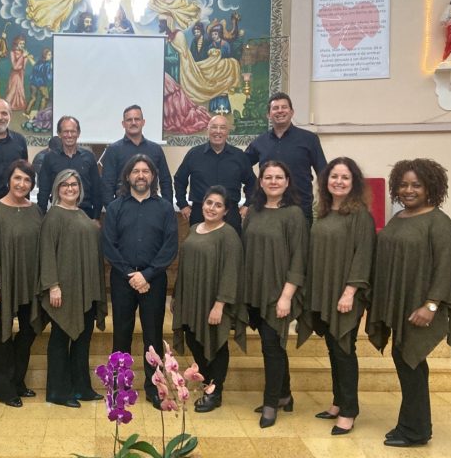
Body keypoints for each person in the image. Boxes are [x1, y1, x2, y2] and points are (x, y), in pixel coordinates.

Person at [367, 158, 451, 448]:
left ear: (430, 187)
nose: (408, 190)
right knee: (406, 362)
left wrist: (431, 305)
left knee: (411, 362)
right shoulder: (399, 217)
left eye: (416, 185)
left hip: (420, 306)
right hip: (400, 302)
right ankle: (411, 424)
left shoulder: (439, 222)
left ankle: (416, 431)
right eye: (403, 185)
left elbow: (447, 267)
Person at [297, 157, 375, 436]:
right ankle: (338, 402)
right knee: (333, 348)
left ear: (354, 182)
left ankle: (349, 411)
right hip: (324, 291)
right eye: (334, 176)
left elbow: (364, 255)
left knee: (344, 350)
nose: (338, 182)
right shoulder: (324, 212)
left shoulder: (360, 215)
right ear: (326, 181)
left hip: (345, 294)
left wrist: (350, 292)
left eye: (345, 177)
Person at [102, 154, 178, 409]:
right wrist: (131, 274)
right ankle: (119, 387)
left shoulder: (165, 208)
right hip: (122, 280)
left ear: (153, 176)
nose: (141, 175)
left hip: (153, 281)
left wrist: (146, 275)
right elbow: (109, 246)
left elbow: (170, 246)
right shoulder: (115, 208)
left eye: (146, 171)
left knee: (153, 336)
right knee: (121, 335)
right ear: (128, 176)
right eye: (136, 171)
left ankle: (154, 387)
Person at [240, 160, 307, 428]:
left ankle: (270, 403)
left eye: (279, 177)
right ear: (261, 182)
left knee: (271, 346)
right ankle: (284, 395)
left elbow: (299, 258)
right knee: (274, 344)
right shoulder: (253, 212)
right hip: (254, 291)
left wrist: (286, 296)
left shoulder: (294, 214)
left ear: (287, 182)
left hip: (278, 292)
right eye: (268, 177)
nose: (273, 181)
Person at [35, 169, 108, 408]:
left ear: (80, 188)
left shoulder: (82, 213)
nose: (70, 188)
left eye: (74, 184)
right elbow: (46, 251)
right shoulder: (53, 216)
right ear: (57, 188)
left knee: (82, 339)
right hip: (64, 289)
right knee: (61, 338)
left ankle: (81, 387)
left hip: (85, 288)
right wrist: (52, 285)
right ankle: (58, 391)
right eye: (65, 185)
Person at [171, 186, 245, 413]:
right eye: (209, 203)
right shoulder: (194, 228)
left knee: (216, 343)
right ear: (202, 204)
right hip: (191, 299)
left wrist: (219, 305)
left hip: (213, 300)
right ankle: (206, 385)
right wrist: (177, 296)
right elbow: (185, 265)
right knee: (194, 340)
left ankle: (215, 391)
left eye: (218, 205)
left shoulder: (229, 235)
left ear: (226, 211)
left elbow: (232, 271)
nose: (212, 208)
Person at [0, 160, 42, 407]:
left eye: (27, 180)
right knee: (3, 334)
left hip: (30, 283)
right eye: (17, 178)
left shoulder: (35, 211)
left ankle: (17, 380)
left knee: (29, 331)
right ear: (9, 180)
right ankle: (3, 388)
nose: (21, 184)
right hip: (3, 283)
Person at [244, 92, 327, 225]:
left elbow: (323, 172)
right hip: (267, 209)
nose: (280, 111)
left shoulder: (309, 139)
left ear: (292, 112)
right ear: (268, 115)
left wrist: (327, 202)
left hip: (301, 207)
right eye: (275, 108)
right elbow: (242, 166)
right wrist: (251, 192)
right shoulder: (259, 142)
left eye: (284, 107)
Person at [174, 114, 256, 235]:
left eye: (222, 127)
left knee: (231, 245)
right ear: (207, 129)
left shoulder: (239, 156)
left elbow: (252, 182)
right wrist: (183, 205)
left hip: (230, 214)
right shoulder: (194, 154)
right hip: (200, 213)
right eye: (214, 127)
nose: (218, 131)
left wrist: (247, 205)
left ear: (228, 131)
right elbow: (179, 180)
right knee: (199, 246)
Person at [101, 105, 173, 205]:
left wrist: (167, 207)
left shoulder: (156, 149)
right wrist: (112, 210)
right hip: (123, 207)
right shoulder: (113, 150)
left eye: (137, 119)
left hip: (152, 206)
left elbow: (165, 181)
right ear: (123, 124)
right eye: (129, 120)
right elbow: (107, 184)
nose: (133, 123)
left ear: (143, 122)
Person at [37, 116, 104, 220]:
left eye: (73, 131)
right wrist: (41, 217)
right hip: (58, 215)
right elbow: (44, 190)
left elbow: (96, 190)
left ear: (78, 133)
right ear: (59, 134)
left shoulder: (89, 157)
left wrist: (96, 218)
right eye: (65, 131)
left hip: (85, 214)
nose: (69, 135)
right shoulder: (49, 158)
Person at [5, 36, 35, 111]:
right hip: (15, 74)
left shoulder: (22, 52)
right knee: (13, 90)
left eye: (23, 43)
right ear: (16, 44)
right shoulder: (12, 52)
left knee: (20, 90)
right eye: (20, 43)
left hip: (21, 74)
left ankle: (17, 105)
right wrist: (22, 56)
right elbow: (15, 66)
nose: (22, 45)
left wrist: (27, 58)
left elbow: (23, 66)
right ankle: (5, 106)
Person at [26, 48, 52, 116]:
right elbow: (48, 77)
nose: (51, 56)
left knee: (33, 98)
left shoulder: (38, 62)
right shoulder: (47, 64)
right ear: (45, 55)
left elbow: (34, 68)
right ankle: (40, 114)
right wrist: (51, 70)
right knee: (45, 97)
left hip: (33, 82)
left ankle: (27, 112)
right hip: (41, 83)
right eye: (49, 55)